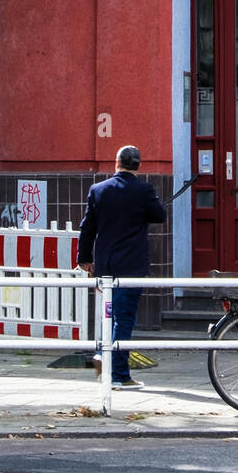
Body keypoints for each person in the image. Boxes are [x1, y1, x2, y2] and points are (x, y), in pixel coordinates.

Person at [78, 146, 167, 390]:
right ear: (138, 165)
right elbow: (160, 215)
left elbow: (88, 227)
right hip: (132, 265)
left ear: (116, 162)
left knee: (111, 314)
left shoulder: (98, 190)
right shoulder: (144, 190)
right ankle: (119, 374)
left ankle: (101, 354)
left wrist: (84, 258)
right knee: (124, 317)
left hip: (106, 264)